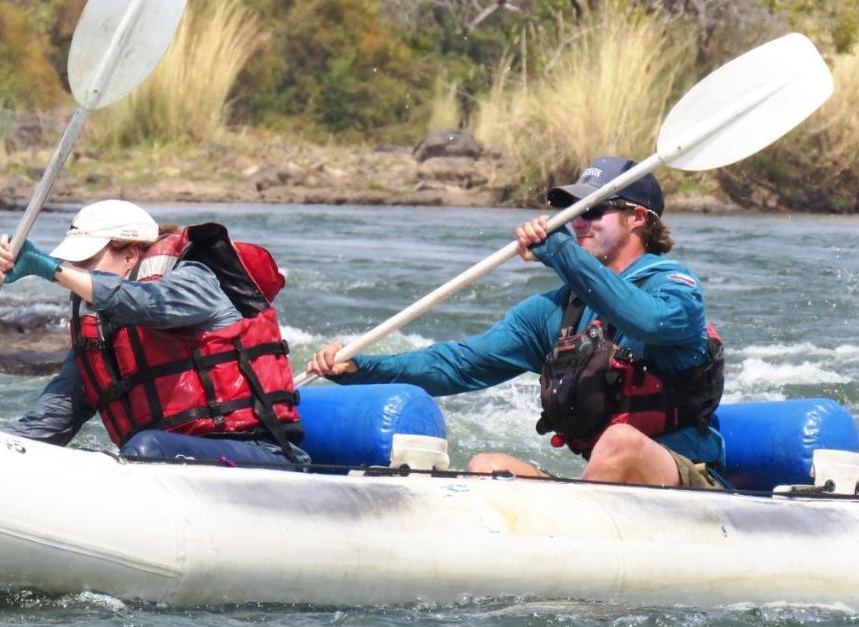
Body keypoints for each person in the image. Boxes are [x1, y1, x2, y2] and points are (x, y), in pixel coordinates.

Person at [307, 156, 724, 488]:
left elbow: (647, 321)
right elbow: (458, 365)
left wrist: (562, 254)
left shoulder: (675, 287)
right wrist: (364, 368)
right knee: (488, 466)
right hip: (602, 492)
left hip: (684, 484)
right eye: (571, 211)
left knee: (621, 443)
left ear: (638, 218)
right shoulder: (554, 314)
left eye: (593, 209)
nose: (577, 221)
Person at [0, 199, 307, 466]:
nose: (75, 272)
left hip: (258, 456)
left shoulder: (194, 281)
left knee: (145, 447)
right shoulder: (100, 331)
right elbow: (49, 423)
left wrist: (49, 268)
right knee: (130, 451)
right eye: (72, 262)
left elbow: (146, 303)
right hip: (161, 461)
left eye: (86, 261)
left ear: (130, 256)